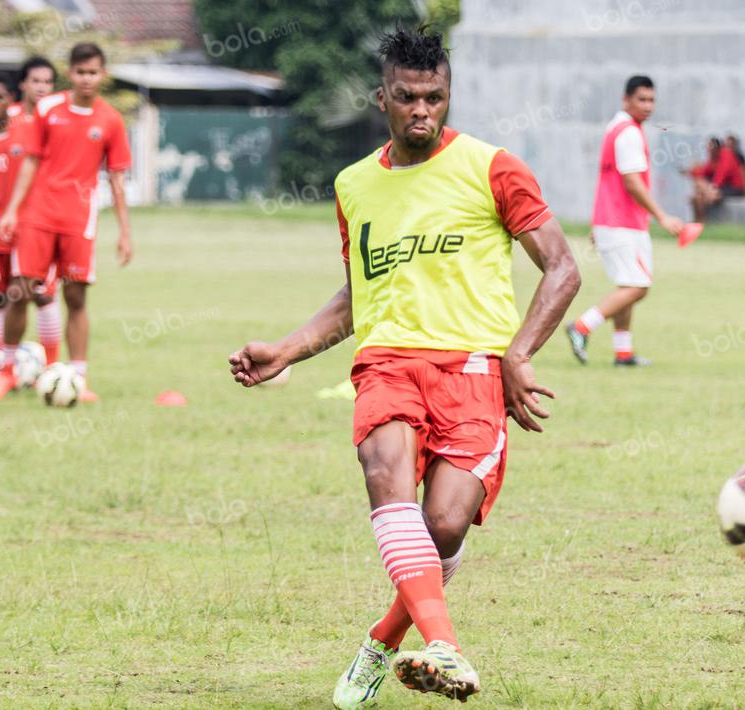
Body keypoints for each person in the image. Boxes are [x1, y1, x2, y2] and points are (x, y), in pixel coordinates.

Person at [229, 27, 581, 707]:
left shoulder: (493, 167)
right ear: (381, 97)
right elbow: (360, 293)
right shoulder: (353, 184)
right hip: (386, 363)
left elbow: (562, 267)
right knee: (383, 474)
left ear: (447, 96)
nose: (422, 111)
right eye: (407, 98)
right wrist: (287, 349)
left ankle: (381, 642)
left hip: (473, 370)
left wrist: (519, 353)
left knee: (444, 525)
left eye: (434, 98)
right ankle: (444, 647)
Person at [0, 42, 133, 402]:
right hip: (38, 215)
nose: (87, 78)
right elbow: (31, 161)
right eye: (80, 72)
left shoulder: (110, 120)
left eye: (93, 72)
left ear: (103, 74)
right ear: (71, 73)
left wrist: (125, 232)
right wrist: (12, 210)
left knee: (75, 296)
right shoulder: (49, 109)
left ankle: (77, 379)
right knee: (20, 290)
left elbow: (115, 179)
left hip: (79, 219)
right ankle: (6, 371)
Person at [566, 75, 684, 367]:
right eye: (641, 99)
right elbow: (632, 182)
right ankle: (581, 326)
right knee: (638, 286)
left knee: (627, 283)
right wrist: (663, 216)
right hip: (623, 224)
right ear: (626, 99)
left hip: (611, 221)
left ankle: (623, 352)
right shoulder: (629, 133)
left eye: (651, 100)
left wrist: (599, 224)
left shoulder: (614, 128)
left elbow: (609, 179)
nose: (648, 106)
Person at [0, 72, 60, 359]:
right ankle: (2, 365)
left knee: (41, 295)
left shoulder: (28, 134)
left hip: (27, 229)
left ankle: (51, 365)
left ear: (10, 99)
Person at [9, 55, 56, 125]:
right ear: (22, 84)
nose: (41, 88)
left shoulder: (58, 119)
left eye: (47, 82)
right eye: (36, 81)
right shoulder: (8, 115)